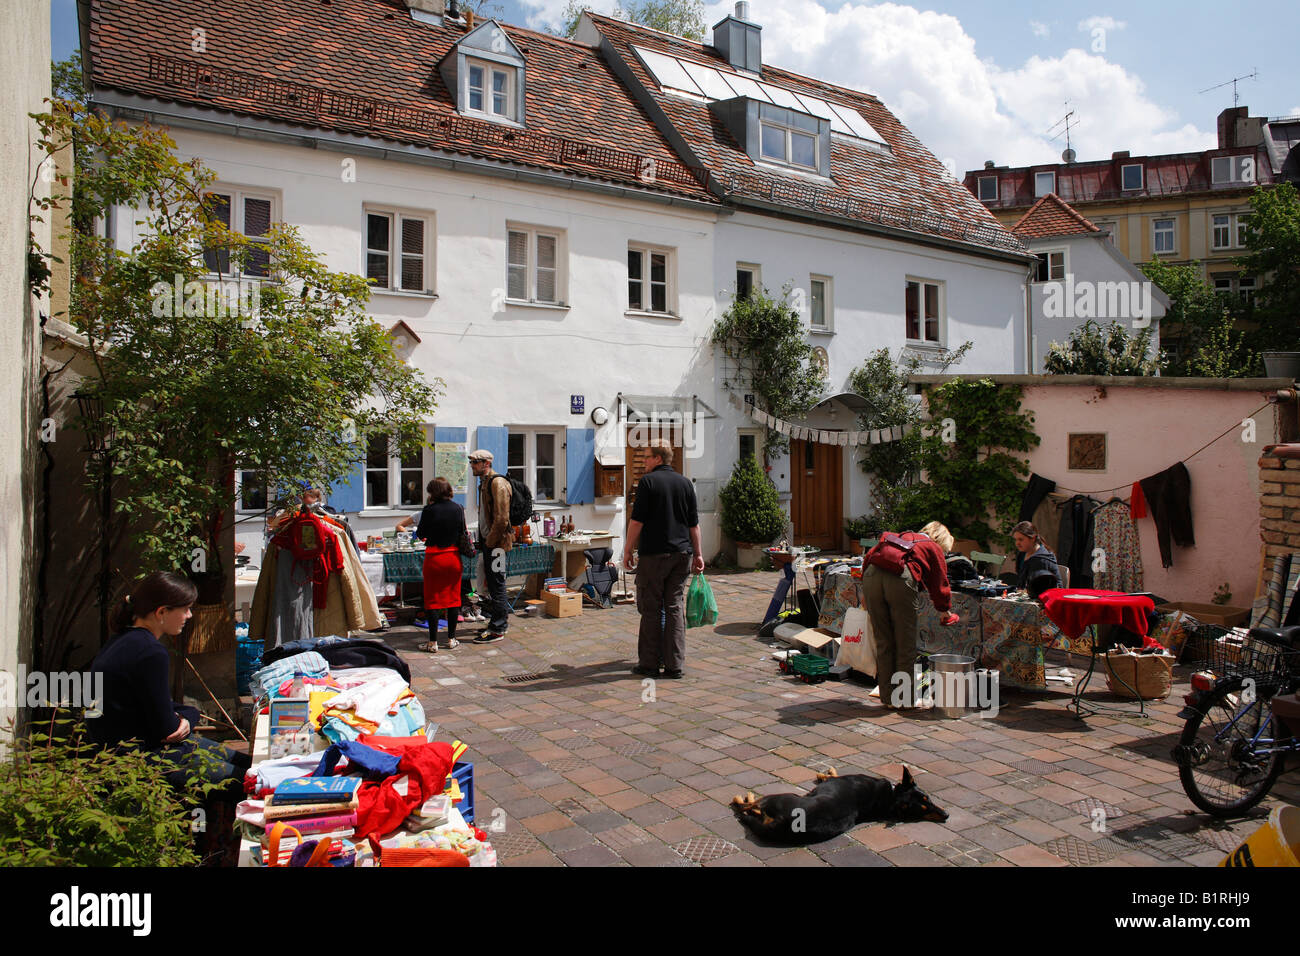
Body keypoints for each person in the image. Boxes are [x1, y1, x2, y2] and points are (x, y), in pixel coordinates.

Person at [87, 572, 250, 795]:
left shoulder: (122, 640)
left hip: (130, 747)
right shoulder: (150, 652)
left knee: (248, 764)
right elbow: (168, 728)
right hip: (144, 758)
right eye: (185, 609)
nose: (189, 615)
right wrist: (189, 717)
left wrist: (187, 714)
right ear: (162, 612)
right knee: (248, 782)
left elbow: (158, 705)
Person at [622, 439, 703, 679]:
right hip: (681, 555)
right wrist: (698, 553)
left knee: (651, 608)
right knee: (675, 607)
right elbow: (694, 525)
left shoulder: (648, 482)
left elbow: (637, 521)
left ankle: (649, 664)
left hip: (654, 556)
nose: (644, 461)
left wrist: (627, 550)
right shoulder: (685, 483)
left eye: (647, 456)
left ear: (658, 458)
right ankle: (674, 665)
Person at [861, 523, 960, 709]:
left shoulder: (900, 537)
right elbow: (940, 582)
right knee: (905, 642)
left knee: (884, 640)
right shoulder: (932, 546)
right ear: (941, 539)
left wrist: (864, 593)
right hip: (900, 578)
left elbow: (870, 556)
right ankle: (906, 700)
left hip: (871, 576)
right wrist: (944, 610)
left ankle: (888, 697)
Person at [397, 477, 466, 652]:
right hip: (453, 557)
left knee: (433, 599)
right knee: (453, 599)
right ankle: (451, 639)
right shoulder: (458, 508)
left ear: (432, 492)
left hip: (434, 557)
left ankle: (432, 642)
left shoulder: (429, 510)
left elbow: (420, 534)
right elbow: (462, 532)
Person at [470, 449, 514, 643]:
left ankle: (498, 627)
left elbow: (502, 518)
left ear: (486, 463)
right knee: (493, 584)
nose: (472, 466)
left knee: (497, 585)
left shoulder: (497, 483)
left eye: (475, 462)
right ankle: (496, 622)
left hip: (497, 545)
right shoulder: (485, 482)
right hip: (490, 543)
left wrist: (490, 541)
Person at [1012, 520, 1064, 592]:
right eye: (1016, 539)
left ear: (1033, 538)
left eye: (1021, 539)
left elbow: (1040, 589)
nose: (1017, 543)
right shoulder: (1022, 554)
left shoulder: (1041, 559)